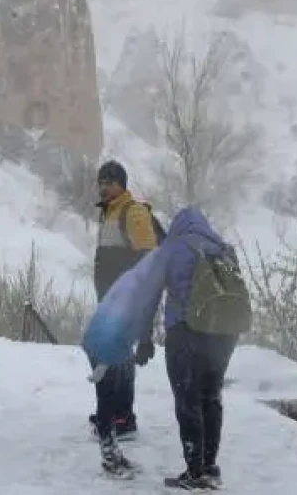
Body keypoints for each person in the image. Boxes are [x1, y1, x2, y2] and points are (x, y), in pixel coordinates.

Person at [83, 206, 249, 488]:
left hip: (187, 332)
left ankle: (195, 471)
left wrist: (145, 338)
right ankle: (209, 466)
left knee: (189, 399)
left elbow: (149, 295)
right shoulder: (224, 248)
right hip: (224, 335)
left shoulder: (174, 247)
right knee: (211, 397)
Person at [91, 159, 161, 441]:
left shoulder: (133, 213)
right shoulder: (109, 213)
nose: (103, 187)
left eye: (109, 182)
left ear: (122, 184)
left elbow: (149, 262)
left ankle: (122, 417)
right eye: (101, 182)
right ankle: (113, 411)